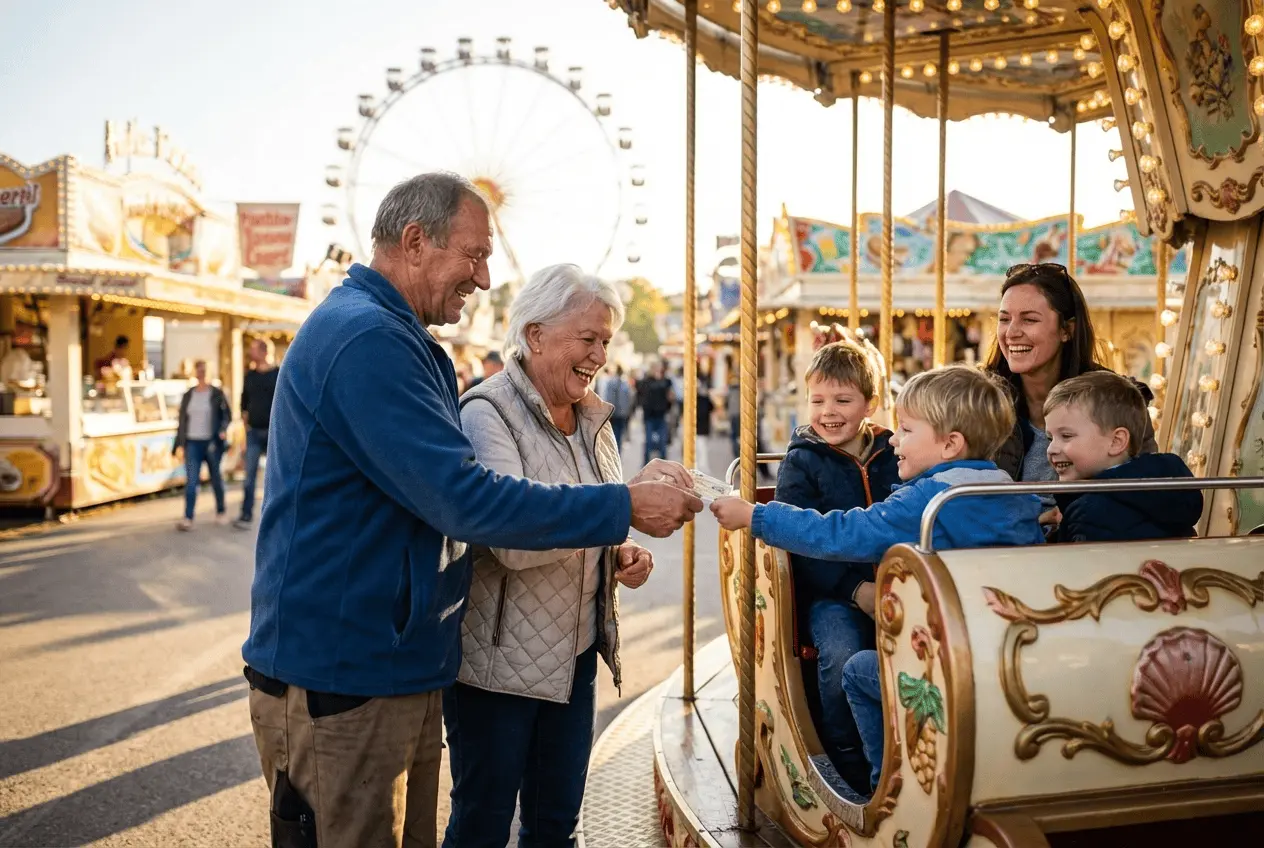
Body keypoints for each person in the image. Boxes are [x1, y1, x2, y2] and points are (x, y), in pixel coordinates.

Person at [241, 173, 701, 848]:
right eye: (475, 255)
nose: (485, 278)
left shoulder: (392, 335)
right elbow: (462, 499)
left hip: (388, 665)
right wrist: (623, 505)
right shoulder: (368, 340)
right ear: (415, 241)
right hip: (344, 672)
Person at [712, 366, 1045, 795]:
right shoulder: (1011, 494)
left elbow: (840, 533)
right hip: (1000, 651)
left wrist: (756, 516)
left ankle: (883, 791)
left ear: (950, 444)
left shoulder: (927, 502)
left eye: (906, 430)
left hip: (947, 663)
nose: (893, 439)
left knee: (857, 670)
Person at [448, 264, 657, 847]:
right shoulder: (486, 414)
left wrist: (623, 553)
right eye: (587, 338)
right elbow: (511, 541)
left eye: (606, 342)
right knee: (481, 825)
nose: (599, 356)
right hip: (497, 672)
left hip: (575, 659)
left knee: (555, 823)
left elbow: (598, 519)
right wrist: (622, 509)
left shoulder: (595, 419)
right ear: (535, 335)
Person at [772, 341, 899, 795]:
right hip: (832, 591)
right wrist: (853, 589)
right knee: (842, 651)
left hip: (896, 581)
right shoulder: (802, 462)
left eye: (843, 401)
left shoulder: (894, 454)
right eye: (817, 400)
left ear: (871, 403)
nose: (828, 412)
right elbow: (799, 543)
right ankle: (844, 758)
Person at [986, 262, 1156, 521]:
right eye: (1004, 319)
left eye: (1029, 320)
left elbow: (1144, 491)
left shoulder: (1116, 399)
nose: (1012, 332)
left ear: (1067, 329)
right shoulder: (978, 401)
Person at [1044, 370, 1202, 542]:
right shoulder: (1168, 493)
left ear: (1116, 442)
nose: (1051, 449)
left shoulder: (1091, 512)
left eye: (1066, 436)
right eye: (1050, 438)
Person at [172, 359, 231, 531]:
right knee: (192, 481)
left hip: (211, 442)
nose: (201, 374)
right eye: (198, 371)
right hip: (192, 442)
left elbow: (227, 415)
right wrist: (179, 444)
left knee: (216, 479)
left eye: (204, 370)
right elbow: (182, 420)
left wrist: (222, 429)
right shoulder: (188, 395)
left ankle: (221, 511)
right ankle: (188, 517)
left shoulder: (217, 393)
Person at [233, 339, 278, 529]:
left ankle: (275, 518)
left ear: (264, 351)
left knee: (275, 477)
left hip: (272, 433)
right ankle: (246, 513)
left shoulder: (277, 374)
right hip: (253, 432)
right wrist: (244, 432)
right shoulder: (249, 375)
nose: (251, 353)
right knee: (249, 476)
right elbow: (244, 404)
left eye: (254, 349)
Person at [638, 362, 674, 465]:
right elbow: (641, 393)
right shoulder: (646, 381)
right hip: (649, 415)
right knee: (648, 442)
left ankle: (664, 464)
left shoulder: (667, 381)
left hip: (662, 415)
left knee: (662, 442)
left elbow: (671, 396)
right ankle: (646, 463)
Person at [600, 364, 635, 451]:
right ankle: (617, 451)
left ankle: (614, 450)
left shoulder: (611, 382)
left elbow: (609, 398)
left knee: (613, 433)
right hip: (622, 412)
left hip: (614, 412)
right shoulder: (625, 383)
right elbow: (629, 398)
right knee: (619, 433)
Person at [694, 384, 715, 473]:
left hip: (700, 428)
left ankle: (700, 466)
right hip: (702, 428)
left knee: (700, 449)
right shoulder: (704, 399)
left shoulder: (700, 400)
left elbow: (711, 407)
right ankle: (701, 466)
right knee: (702, 449)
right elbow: (712, 407)